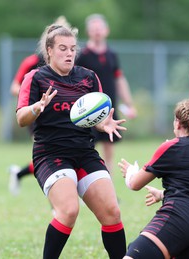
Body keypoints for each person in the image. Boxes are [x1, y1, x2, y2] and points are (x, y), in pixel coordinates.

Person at [15, 18, 127, 259]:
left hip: (84, 152)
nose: (69, 54)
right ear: (49, 51)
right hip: (50, 154)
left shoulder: (88, 77)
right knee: (68, 210)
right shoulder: (35, 78)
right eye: (63, 49)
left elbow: (96, 117)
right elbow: (21, 118)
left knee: (112, 212)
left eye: (73, 49)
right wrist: (38, 107)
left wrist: (104, 123)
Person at [118, 99, 189, 258]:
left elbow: (134, 184)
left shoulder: (172, 146)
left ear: (177, 123)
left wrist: (131, 171)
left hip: (179, 219)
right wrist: (162, 195)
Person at [76, 14, 137, 176]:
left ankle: (106, 180)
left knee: (109, 146)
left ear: (106, 31)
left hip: (108, 107)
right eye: (93, 29)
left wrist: (129, 103)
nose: (97, 32)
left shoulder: (112, 55)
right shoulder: (82, 55)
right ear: (88, 32)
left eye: (99, 29)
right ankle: (88, 182)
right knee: (88, 148)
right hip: (89, 109)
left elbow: (119, 79)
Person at [8, 53, 45, 195]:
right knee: (48, 157)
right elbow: (14, 88)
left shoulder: (68, 61)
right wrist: (37, 98)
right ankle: (58, 207)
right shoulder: (31, 62)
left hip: (62, 116)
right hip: (37, 117)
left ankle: (19, 173)